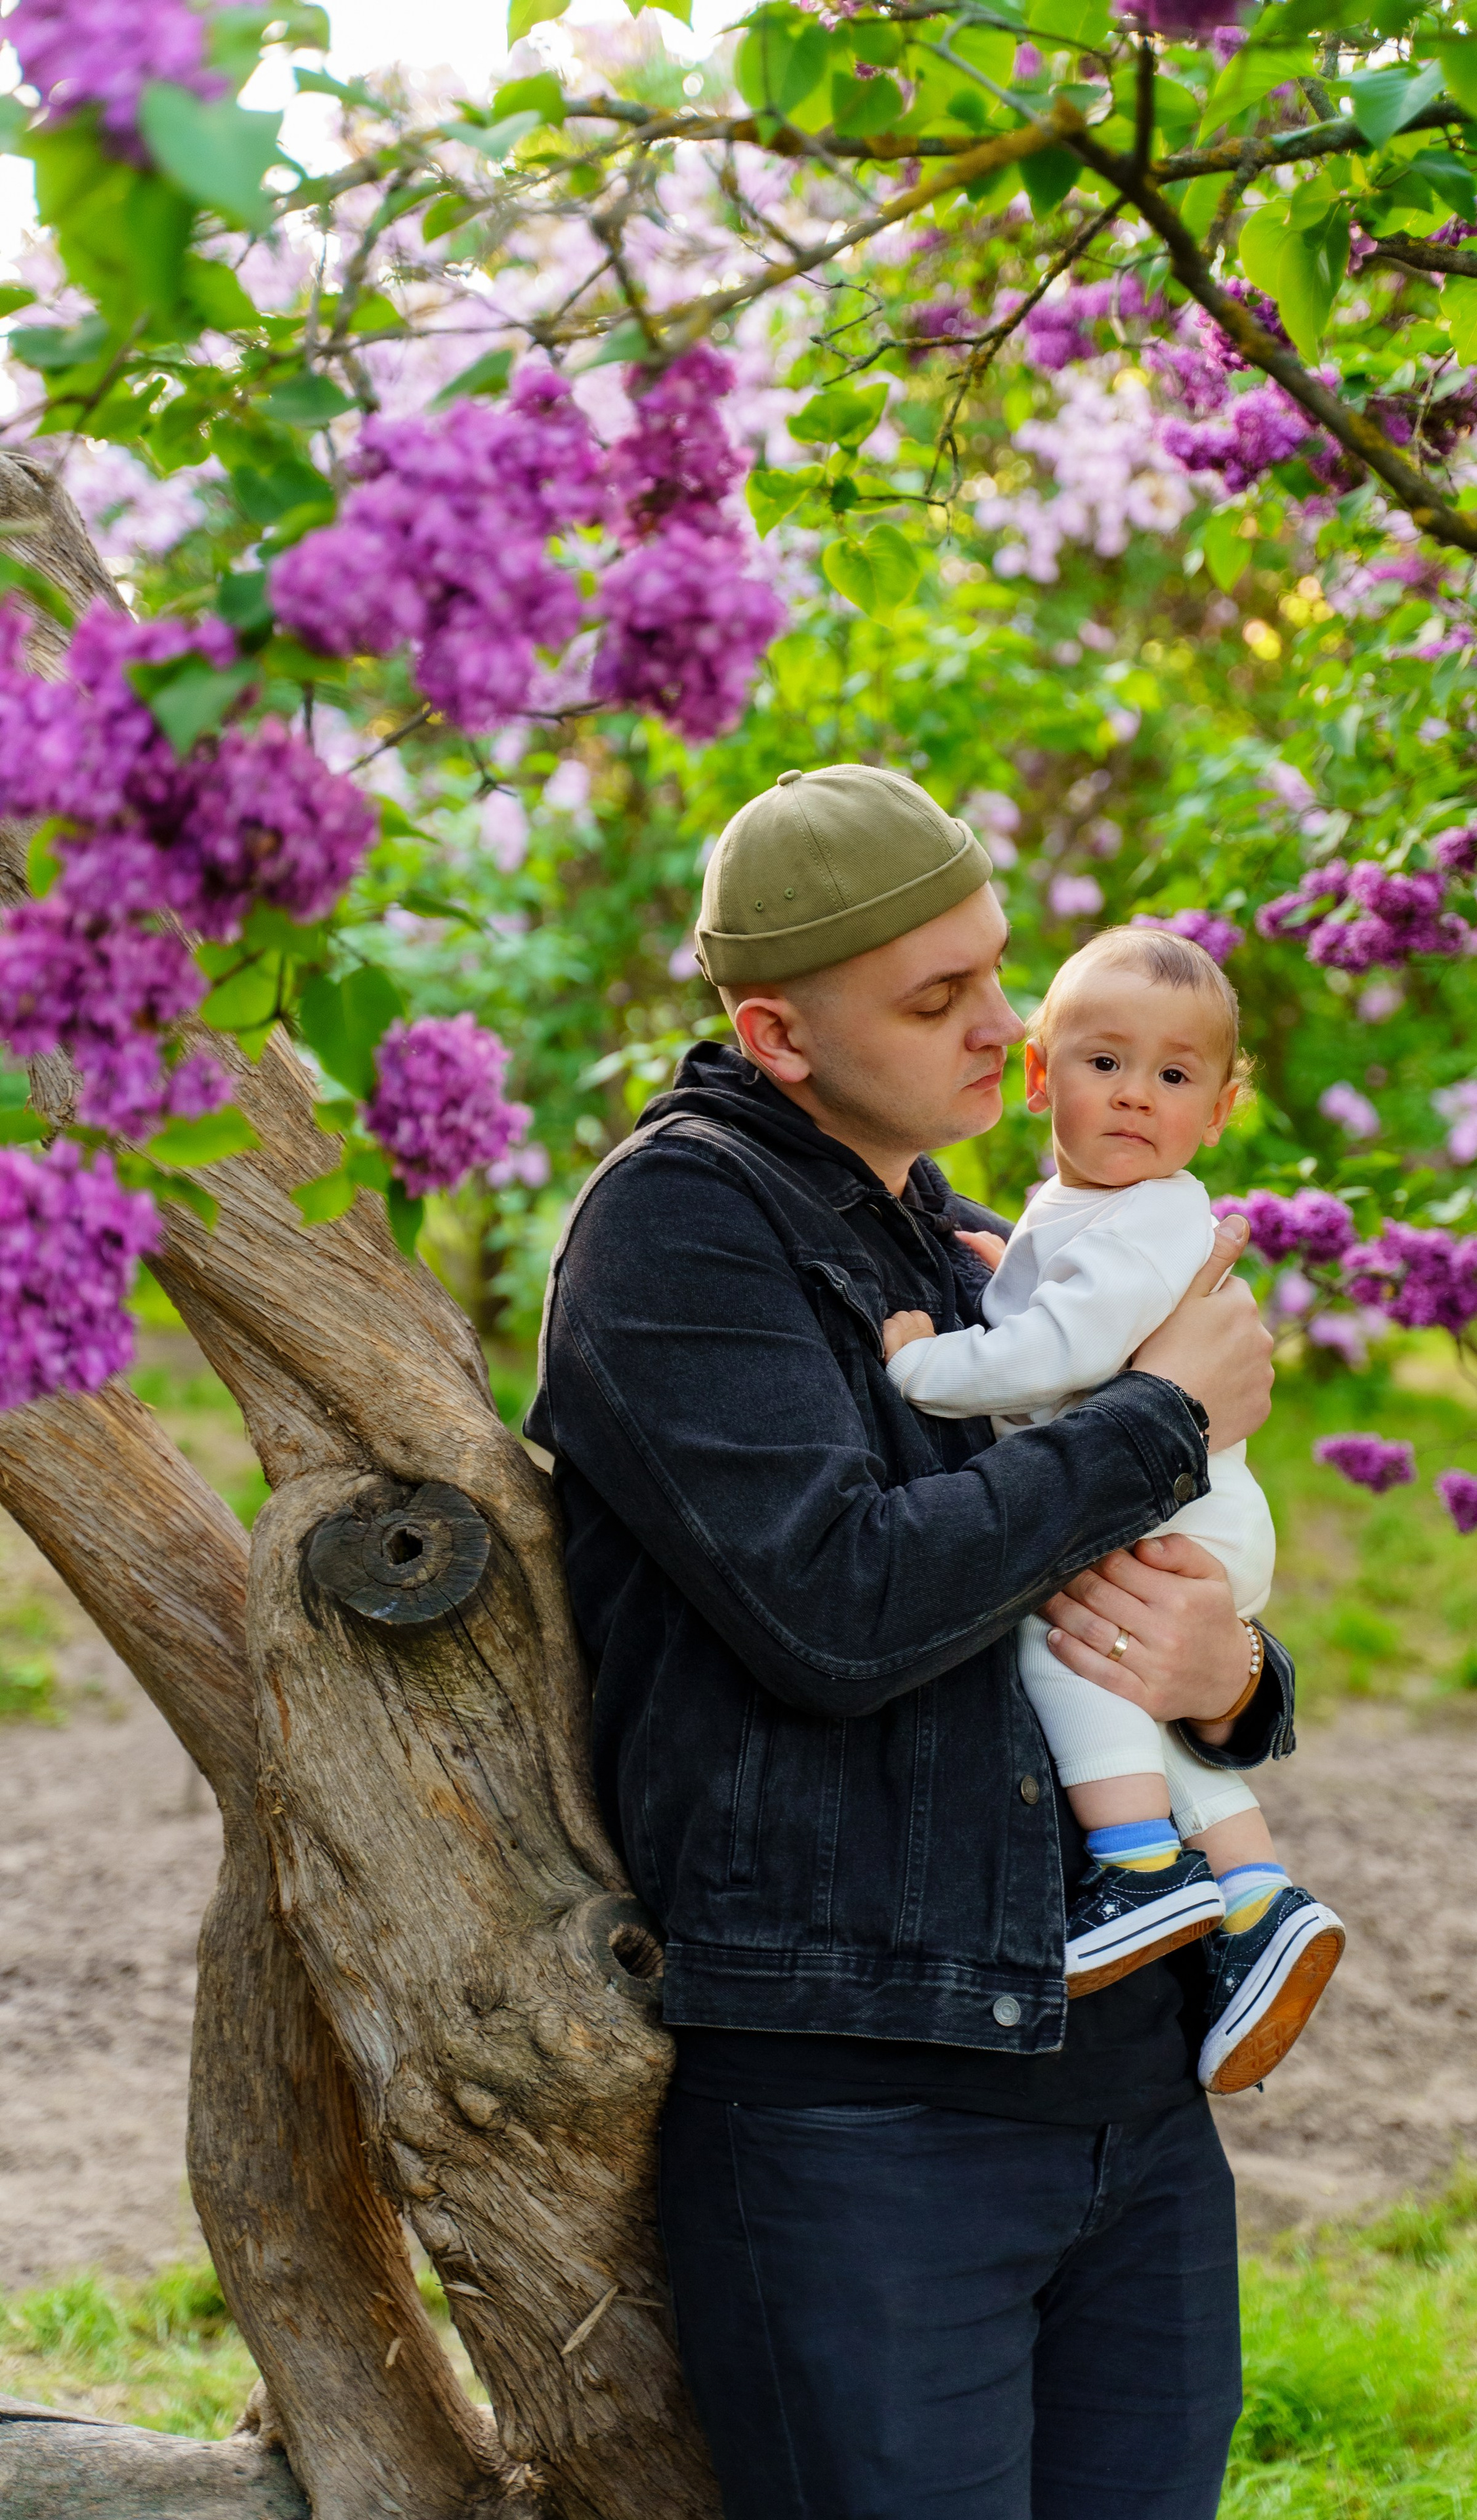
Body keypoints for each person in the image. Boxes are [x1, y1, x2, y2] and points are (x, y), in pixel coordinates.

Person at [527, 762, 1291, 2520]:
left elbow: (1130, 1608)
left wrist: (1232, 1684)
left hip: (1128, 2085)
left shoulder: (971, 1247)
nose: (1006, 1031)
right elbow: (843, 1606)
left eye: (998, 970)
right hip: (870, 2119)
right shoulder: (678, 1229)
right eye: (937, 999)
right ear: (779, 1034)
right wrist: (1167, 1413)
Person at [882, 923, 1344, 2090]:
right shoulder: (1081, 1206)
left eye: (1174, 1077)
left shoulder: (1147, 1215)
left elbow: (1062, 1351)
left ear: (1219, 1111)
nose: (1136, 1098)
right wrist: (1006, 1269)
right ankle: (1255, 1893)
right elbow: (1061, 1296)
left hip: (1177, 1513)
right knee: (1131, 1688)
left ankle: (1139, 1871)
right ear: (1041, 1074)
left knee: (1058, 1645)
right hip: (1186, 1508)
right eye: (1104, 1064)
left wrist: (926, 1362)